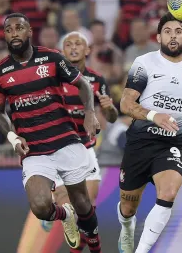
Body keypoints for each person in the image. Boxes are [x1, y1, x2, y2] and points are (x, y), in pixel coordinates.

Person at [0, 13, 102, 252]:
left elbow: (82, 85)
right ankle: (64, 214)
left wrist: (90, 113)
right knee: (40, 207)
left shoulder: (52, 58)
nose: (14, 33)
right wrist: (12, 136)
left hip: (65, 140)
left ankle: (95, 246)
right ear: (5, 35)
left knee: (83, 203)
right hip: (34, 149)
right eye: (9, 30)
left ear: (29, 31)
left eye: (19, 28)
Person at [117, 13, 182, 253]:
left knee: (169, 192)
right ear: (158, 37)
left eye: (177, 32)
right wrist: (155, 115)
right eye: (167, 32)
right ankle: (126, 226)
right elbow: (125, 103)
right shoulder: (144, 63)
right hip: (140, 142)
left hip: (172, 143)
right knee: (128, 207)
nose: (172, 36)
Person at [38, 31, 118, 252]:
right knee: (68, 203)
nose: (73, 48)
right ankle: (53, 209)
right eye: (68, 44)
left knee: (87, 209)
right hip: (57, 149)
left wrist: (109, 108)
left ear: (87, 50)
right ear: (63, 52)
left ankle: (55, 213)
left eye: (78, 44)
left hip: (86, 149)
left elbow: (111, 117)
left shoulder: (97, 80)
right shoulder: (52, 80)